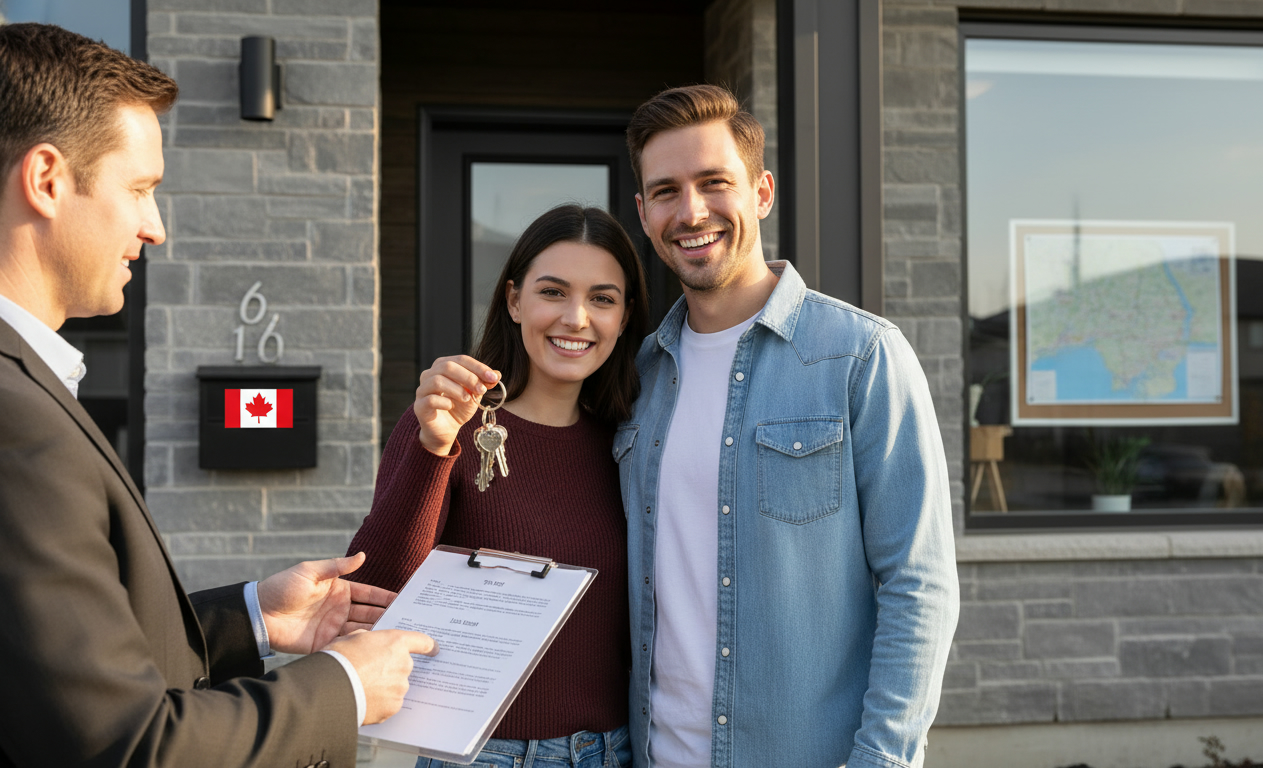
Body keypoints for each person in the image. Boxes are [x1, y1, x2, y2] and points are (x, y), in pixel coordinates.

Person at [0, 24, 437, 768]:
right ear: (46, 180)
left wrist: (254, 619)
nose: (156, 228)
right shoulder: (16, 420)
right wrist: (345, 685)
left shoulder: (29, 389)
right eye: (140, 190)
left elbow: (60, 668)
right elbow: (126, 744)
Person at [616, 84, 960, 768]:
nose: (692, 212)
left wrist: (882, 760)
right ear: (643, 211)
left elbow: (918, 584)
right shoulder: (640, 377)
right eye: (666, 191)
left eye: (715, 183)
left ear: (762, 192)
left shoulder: (859, 355)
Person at [345, 204, 649, 768]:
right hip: (477, 755)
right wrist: (434, 448)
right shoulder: (448, 422)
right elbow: (373, 597)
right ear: (514, 300)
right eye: (553, 292)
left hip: (613, 750)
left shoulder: (632, 440)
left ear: (625, 316)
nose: (577, 318)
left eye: (602, 299)